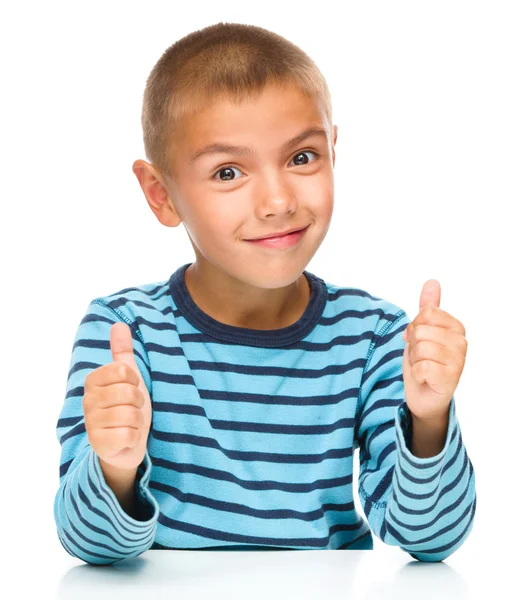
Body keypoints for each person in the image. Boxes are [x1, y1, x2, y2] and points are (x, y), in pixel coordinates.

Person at [53, 21, 476, 566]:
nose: (277, 200)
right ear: (162, 195)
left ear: (333, 150)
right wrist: (114, 466)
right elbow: (89, 547)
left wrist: (429, 420)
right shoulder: (125, 333)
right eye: (228, 172)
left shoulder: (373, 337)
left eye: (302, 158)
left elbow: (431, 541)